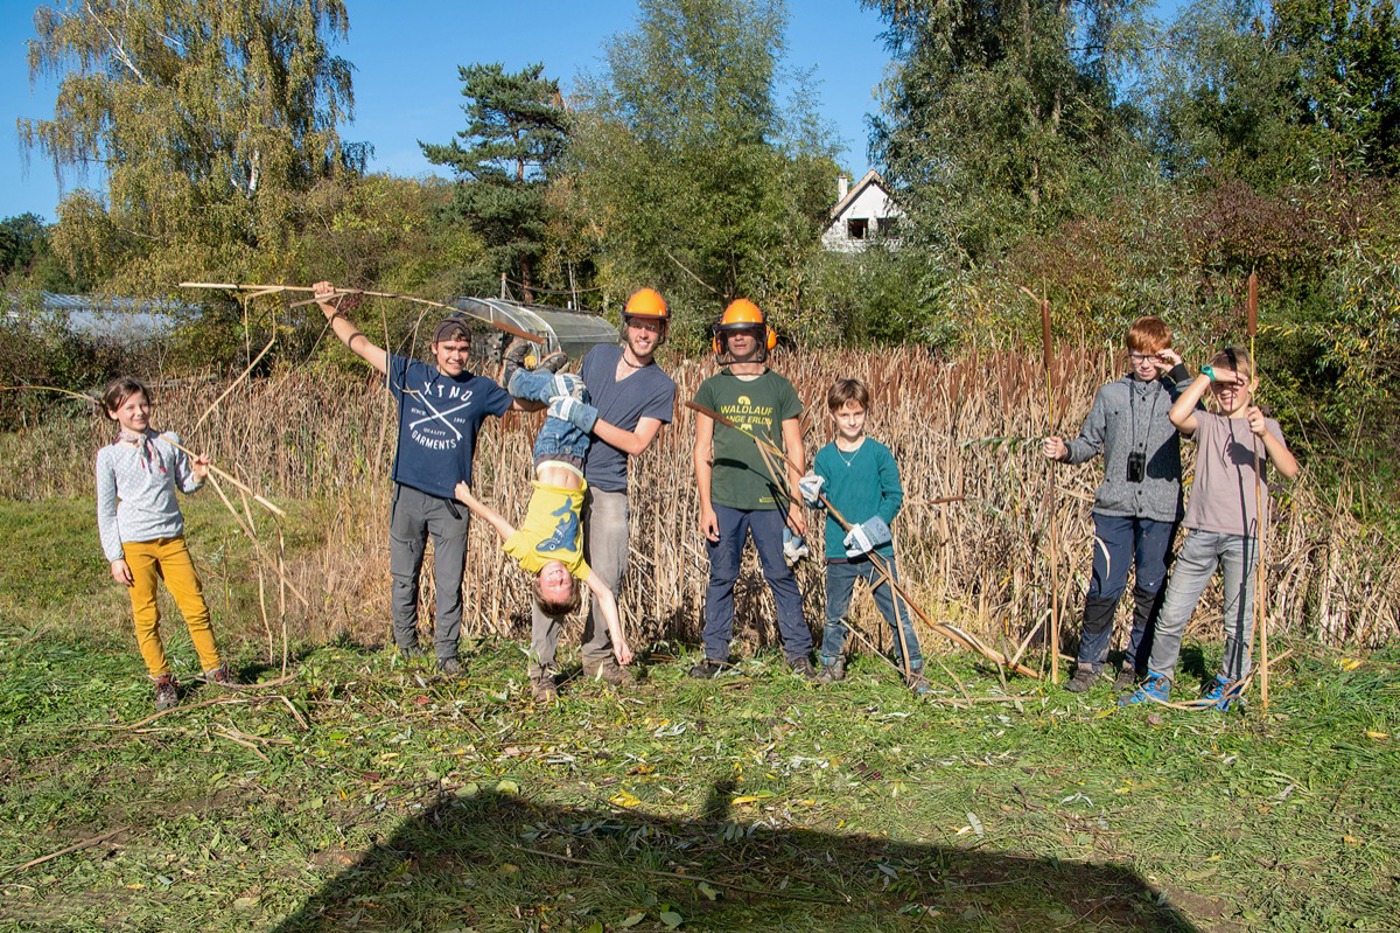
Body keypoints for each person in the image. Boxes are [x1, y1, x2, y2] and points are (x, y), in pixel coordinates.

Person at [312, 280, 526, 675]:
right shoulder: (410, 374)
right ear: (434, 348)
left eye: (463, 349)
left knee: (449, 583)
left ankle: (447, 656)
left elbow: (521, 403)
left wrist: (540, 384)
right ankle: (406, 649)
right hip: (407, 494)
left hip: (453, 501)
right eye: (449, 349)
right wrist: (328, 308)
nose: (457, 356)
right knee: (403, 578)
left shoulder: (479, 390)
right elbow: (359, 344)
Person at [1123, 347, 1300, 710]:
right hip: (1202, 531)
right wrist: (1208, 375)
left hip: (1245, 535)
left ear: (1253, 385)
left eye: (1239, 384)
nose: (1229, 391)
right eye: (1223, 385)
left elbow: (1290, 470)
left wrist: (1264, 433)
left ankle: (1230, 684)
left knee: (1238, 619)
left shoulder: (1264, 427)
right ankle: (1159, 680)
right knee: (1173, 613)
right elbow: (1177, 414)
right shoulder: (1208, 423)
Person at [454, 352, 634, 700]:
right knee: (572, 391)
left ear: (538, 582)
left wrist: (470, 499)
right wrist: (619, 640)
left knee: (571, 387)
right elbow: (606, 593)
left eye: (552, 583)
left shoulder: (529, 554)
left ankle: (516, 376)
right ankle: (539, 376)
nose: (559, 578)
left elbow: (499, 523)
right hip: (578, 455)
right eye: (565, 583)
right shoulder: (573, 561)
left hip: (551, 451)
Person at [526, 288, 676, 689]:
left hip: (609, 486)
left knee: (606, 576)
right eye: (639, 324)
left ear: (662, 332)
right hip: (566, 478)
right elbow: (565, 395)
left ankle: (597, 657)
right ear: (626, 325)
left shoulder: (662, 386)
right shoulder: (597, 357)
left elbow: (637, 443)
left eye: (653, 327)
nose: (645, 332)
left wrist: (586, 418)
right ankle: (541, 670)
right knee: (554, 572)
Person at [1043, 317, 1193, 693]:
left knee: (1149, 587)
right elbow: (1089, 443)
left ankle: (1135, 663)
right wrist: (1065, 452)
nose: (1145, 364)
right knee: (1104, 587)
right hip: (1113, 507)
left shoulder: (1178, 394)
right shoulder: (1110, 395)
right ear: (1127, 355)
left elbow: (1199, 420)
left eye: (1153, 358)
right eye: (1137, 356)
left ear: (1165, 357)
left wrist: (1181, 371)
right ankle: (1089, 662)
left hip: (1160, 509)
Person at [690, 299, 815, 680]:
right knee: (721, 577)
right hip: (725, 501)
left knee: (780, 574)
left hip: (771, 500)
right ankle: (716, 655)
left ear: (763, 337)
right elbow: (701, 450)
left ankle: (798, 653)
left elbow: (795, 447)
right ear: (721, 341)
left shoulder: (779, 387)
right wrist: (705, 506)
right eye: (732, 334)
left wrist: (797, 502)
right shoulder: (711, 388)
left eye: (746, 332)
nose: (739, 339)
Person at [96, 377, 233, 710]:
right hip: (135, 545)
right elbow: (105, 510)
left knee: (195, 606)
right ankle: (162, 681)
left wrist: (199, 473)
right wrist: (115, 557)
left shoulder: (170, 442)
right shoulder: (109, 456)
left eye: (143, 404)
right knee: (146, 615)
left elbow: (186, 485)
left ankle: (214, 670)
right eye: (129, 407)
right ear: (114, 413)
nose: (139, 412)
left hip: (172, 539)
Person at [798, 378, 927, 693]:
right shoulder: (825, 458)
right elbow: (819, 502)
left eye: (857, 414)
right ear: (833, 416)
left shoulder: (879, 454)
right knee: (835, 614)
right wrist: (811, 494)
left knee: (896, 612)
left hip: (877, 550)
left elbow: (894, 497)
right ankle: (831, 664)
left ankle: (914, 670)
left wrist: (871, 529)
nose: (851, 421)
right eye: (844, 415)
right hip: (839, 549)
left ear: (867, 413)